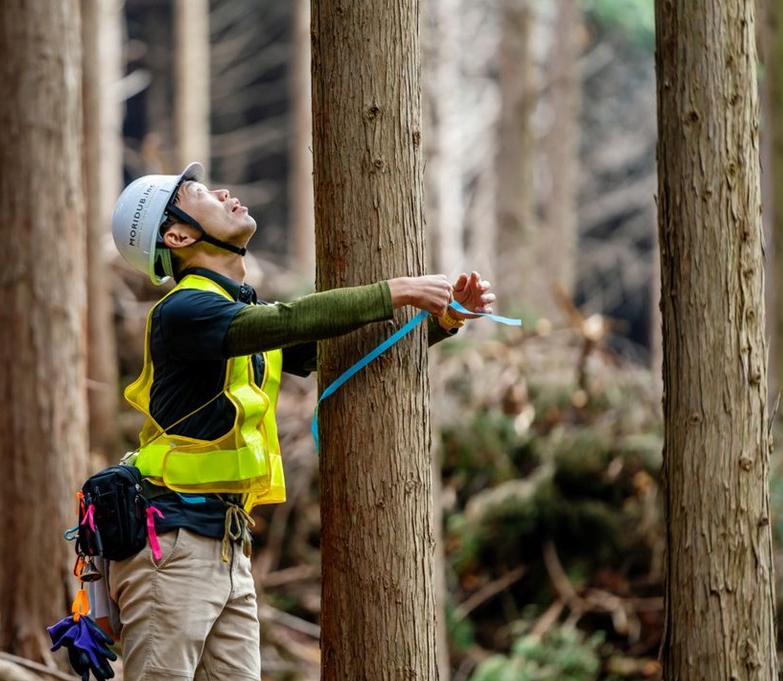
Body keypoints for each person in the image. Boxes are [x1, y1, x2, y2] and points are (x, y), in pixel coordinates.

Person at [105, 162, 496, 680]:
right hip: (171, 545)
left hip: (224, 547)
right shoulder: (185, 312)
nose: (223, 191)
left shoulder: (232, 310)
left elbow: (321, 352)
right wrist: (395, 290)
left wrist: (442, 323)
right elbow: (288, 321)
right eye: (199, 193)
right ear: (177, 234)